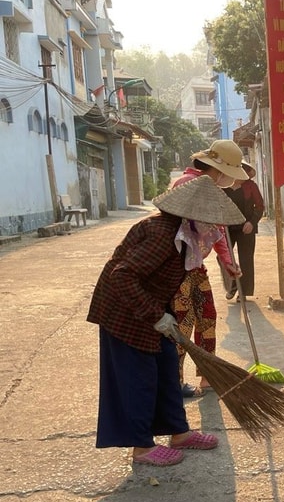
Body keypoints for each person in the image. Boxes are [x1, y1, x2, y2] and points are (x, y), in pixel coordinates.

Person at [87, 176, 246, 466]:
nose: (212, 228)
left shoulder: (184, 236)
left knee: (166, 367)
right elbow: (122, 276)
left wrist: (165, 313)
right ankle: (142, 448)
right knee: (139, 377)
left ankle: (179, 432)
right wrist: (156, 315)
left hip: (149, 307)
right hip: (123, 311)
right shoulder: (162, 234)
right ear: (192, 216)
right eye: (209, 221)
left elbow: (165, 280)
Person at [170, 139, 248, 397]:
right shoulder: (186, 185)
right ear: (218, 169)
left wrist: (229, 261)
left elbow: (219, 230)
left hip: (195, 267)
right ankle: (175, 380)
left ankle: (207, 375)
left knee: (207, 317)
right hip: (175, 270)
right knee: (182, 324)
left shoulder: (212, 189)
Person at [223, 159, 265, 300]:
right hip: (226, 228)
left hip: (246, 227)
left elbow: (260, 207)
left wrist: (252, 223)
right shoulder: (223, 187)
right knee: (224, 258)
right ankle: (233, 285)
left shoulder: (250, 186)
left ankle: (243, 292)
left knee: (246, 258)